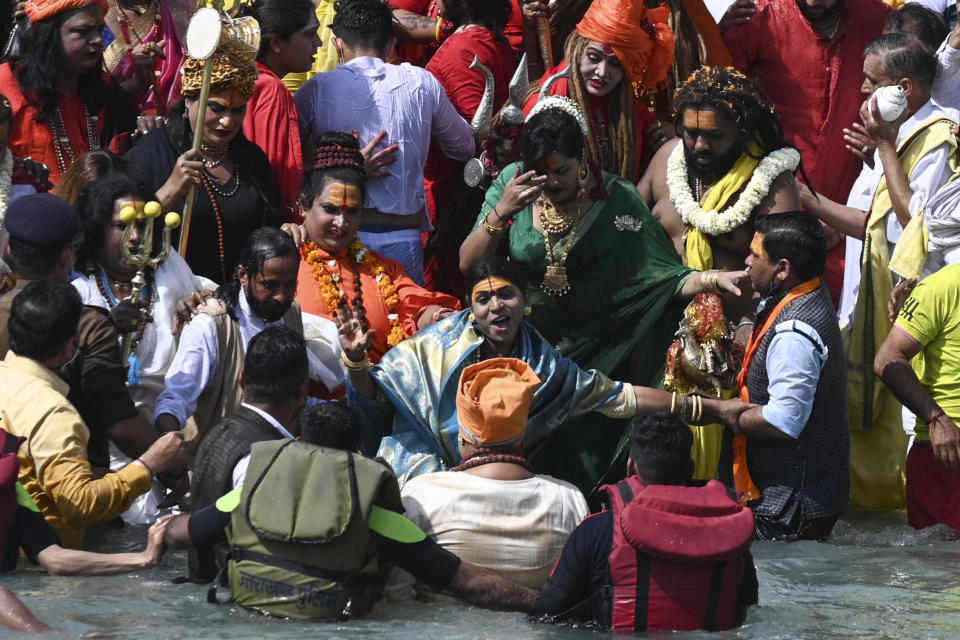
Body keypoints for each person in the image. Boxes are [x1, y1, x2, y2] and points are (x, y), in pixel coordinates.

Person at [459, 98, 747, 492]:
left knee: (582, 467)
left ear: (582, 160)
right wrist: (503, 211)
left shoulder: (616, 198)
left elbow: (660, 279)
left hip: (599, 354)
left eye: (562, 171)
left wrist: (712, 280)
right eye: (541, 173)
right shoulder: (512, 185)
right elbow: (468, 264)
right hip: (521, 349)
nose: (552, 182)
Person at [345, 256, 747, 493]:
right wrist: (356, 363)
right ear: (470, 307)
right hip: (422, 476)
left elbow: (618, 397)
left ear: (527, 302)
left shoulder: (546, 367)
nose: (495, 307)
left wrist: (711, 409)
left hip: (499, 481)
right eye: (483, 299)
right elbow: (376, 398)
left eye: (506, 295)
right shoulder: (433, 348)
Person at [163, 400, 539, 618]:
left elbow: (180, 533)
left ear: (299, 443)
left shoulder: (251, 491)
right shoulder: (375, 515)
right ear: (358, 454)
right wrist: (543, 602)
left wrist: (158, 533)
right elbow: (475, 586)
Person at [802, 33, 957, 509]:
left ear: (904, 88)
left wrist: (885, 151)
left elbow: (917, 227)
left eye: (872, 83)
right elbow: (875, 223)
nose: (863, 94)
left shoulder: (938, 138)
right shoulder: (892, 134)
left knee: (914, 429)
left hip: (927, 303)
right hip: (877, 296)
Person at [720, 0, 890, 306]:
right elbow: (714, 89)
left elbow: (914, 83)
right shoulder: (760, 15)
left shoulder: (878, 18)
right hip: (772, 206)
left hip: (853, 209)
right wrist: (720, 31)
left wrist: (885, 143)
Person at [294, 0, 475, 285]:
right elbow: (464, 147)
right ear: (391, 45)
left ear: (337, 44)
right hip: (397, 240)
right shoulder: (421, 82)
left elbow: (288, 161)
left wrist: (338, 161)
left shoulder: (316, 89)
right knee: (404, 325)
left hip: (337, 236)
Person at [530, 412, 757, 632]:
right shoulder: (729, 531)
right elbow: (748, 606)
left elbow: (546, 615)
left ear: (631, 466)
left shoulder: (596, 531)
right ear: (691, 468)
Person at [0, 279, 186, 547]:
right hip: (42, 571)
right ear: (69, 346)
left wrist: (93, 473)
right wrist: (149, 464)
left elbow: (25, 472)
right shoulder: (55, 413)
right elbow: (79, 505)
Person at [0, 193, 167, 490]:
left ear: (9, 249)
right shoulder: (88, 324)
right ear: (67, 256)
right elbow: (121, 423)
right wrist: (171, 466)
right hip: (70, 486)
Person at [395, 359, 589, 592]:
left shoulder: (421, 495)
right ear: (522, 438)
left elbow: (395, 592)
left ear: (463, 438)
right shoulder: (569, 500)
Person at [718, 213, 848, 540]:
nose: (746, 262)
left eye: (756, 255)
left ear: (783, 269)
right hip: (799, 501)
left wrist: (715, 411)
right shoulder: (804, 293)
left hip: (791, 510)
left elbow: (783, 421)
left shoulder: (795, 332)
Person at [285, 131, 459, 370]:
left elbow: (416, 305)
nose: (342, 222)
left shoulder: (382, 270)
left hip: (374, 399)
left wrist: (437, 316)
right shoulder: (285, 260)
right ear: (304, 204)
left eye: (352, 211)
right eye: (330, 209)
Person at [125, 23, 283, 285]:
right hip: (173, 296)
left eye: (236, 111)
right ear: (189, 100)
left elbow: (273, 223)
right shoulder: (151, 151)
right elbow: (122, 232)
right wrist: (170, 190)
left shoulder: (252, 158)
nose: (227, 122)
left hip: (239, 301)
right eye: (216, 108)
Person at [72, 172, 215, 419]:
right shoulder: (79, 288)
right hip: (103, 427)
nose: (136, 237)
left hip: (171, 420)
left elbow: (212, 295)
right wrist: (106, 327)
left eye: (142, 224)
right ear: (98, 228)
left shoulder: (168, 265)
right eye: (122, 226)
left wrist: (201, 304)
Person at [153, 227, 304, 444]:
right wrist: (170, 452)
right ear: (243, 275)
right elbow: (173, 401)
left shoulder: (292, 313)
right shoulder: (209, 325)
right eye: (270, 285)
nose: (281, 297)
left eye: (290, 285)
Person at [187, 325, 309, 580]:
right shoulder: (270, 456)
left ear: (241, 380)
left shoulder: (215, 434)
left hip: (205, 588)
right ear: (301, 393)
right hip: (237, 595)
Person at [420, 0, 516, 296]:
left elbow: (480, 134)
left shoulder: (468, 46)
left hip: (456, 194)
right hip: (462, 189)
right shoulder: (487, 42)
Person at [522, 0, 674, 182]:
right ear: (576, 50)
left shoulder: (635, 114)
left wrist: (671, 137)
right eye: (594, 57)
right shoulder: (542, 101)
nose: (602, 72)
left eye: (616, 64)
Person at [0, 0, 140, 183]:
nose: (98, 40)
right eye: (83, 31)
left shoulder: (103, 87)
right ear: (49, 35)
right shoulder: (6, 83)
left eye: (99, 30)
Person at [0, 428, 171, 574]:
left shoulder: (13, 492)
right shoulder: (14, 490)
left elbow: (55, 559)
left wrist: (145, 558)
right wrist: (144, 558)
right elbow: (55, 560)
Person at [875, 262, 960, 530]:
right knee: (940, 567)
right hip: (949, 454)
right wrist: (936, 418)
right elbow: (887, 360)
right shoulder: (941, 287)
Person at [239, 0, 320, 222]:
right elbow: (275, 171)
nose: (319, 43)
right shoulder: (271, 89)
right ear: (276, 43)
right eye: (311, 34)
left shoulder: (245, 76)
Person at [102, 0, 190, 114]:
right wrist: (135, 83)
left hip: (173, 124)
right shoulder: (88, 14)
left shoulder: (179, 12)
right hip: (109, 125)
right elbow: (86, 99)